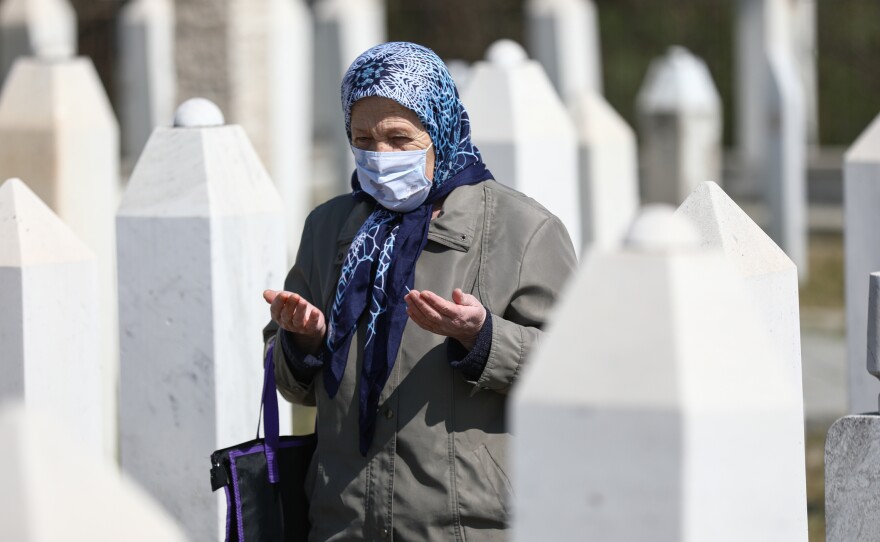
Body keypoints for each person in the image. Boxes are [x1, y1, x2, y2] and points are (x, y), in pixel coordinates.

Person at [263, 42, 576, 541]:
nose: (379, 155)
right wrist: (303, 341)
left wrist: (485, 339)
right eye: (363, 138)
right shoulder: (328, 228)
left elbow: (573, 367)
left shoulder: (523, 229)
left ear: (441, 130)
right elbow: (291, 384)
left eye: (399, 138)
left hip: (465, 527)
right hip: (341, 524)